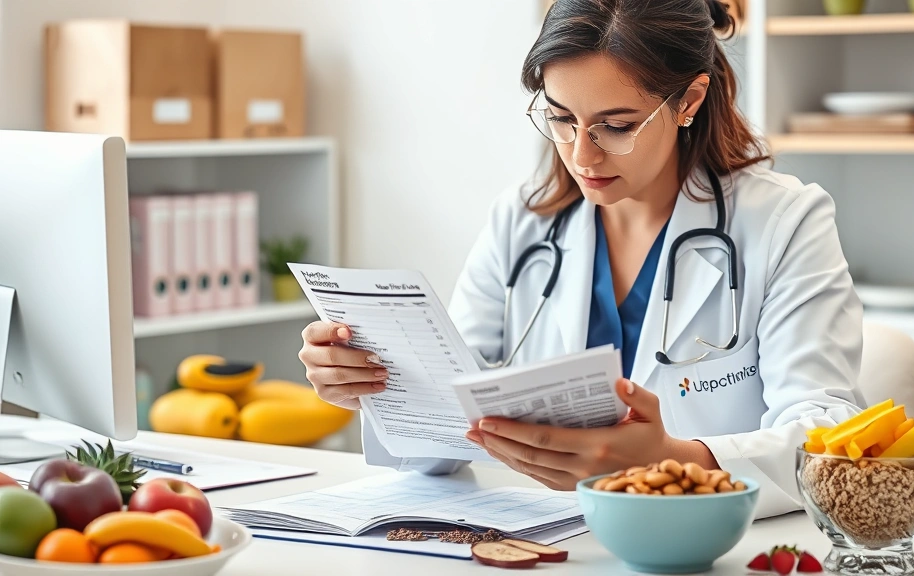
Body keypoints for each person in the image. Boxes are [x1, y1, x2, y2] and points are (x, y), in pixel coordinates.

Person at [298, 0, 866, 518]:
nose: (580, 153)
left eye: (616, 126)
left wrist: (676, 460)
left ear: (689, 100)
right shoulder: (522, 220)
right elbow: (453, 419)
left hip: (708, 543)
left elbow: (827, 434)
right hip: (551, 539)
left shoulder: (785, 221)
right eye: (562, 118)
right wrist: (378, 384)